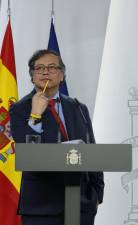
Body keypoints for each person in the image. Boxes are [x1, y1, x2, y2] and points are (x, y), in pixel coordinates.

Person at [10, 49, 104, 225]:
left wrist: (97, 193)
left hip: (80, 203)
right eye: (39, 68)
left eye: (52, 67)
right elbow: (29, 155)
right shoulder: (19, 109)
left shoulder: (78, 107)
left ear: (62, 76)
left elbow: (92, 149)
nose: (45, 72)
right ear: (32, 77)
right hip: (41, 206)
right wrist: (35, 115)